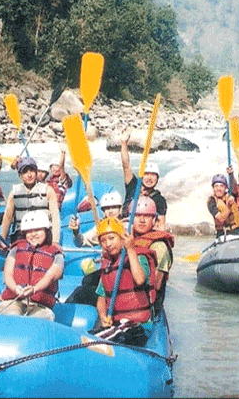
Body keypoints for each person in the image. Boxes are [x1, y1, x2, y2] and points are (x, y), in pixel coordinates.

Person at [94, 216, 157, 347]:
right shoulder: (107, 266)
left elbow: (140, 280)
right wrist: (103, 316)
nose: (108, 244)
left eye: (112, 238)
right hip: (118, 324)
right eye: (103, 240)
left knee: (100, 341)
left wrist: (130, 249)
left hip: (139, 325)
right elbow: (101, 297)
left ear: (122, 239)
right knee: (95, 335)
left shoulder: (138, 257)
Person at [0, 210, 64, 320]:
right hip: (14, 300)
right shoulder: (16, 249)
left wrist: (34, 289)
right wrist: (15, 288)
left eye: (37, 230)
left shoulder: (57, 254)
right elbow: (8, 273)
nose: (33, 234)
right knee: (11, 315)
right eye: (29, 231)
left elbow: (51, 276)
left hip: (40, 305)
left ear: (47, 231)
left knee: (43, 318)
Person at [129, 196, 174, 316]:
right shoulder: (127, 238)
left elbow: (157, 285)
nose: (142, 220)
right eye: (137, 215)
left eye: (147, 216)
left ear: (154, 220)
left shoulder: (159, 247)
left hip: (145, 303)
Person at [0, 157, 61, 244]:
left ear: (36, 172)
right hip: (22, 234)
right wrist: (2, 240)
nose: (29, 175)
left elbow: (55, 217)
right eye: (25, 172)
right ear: (20, 175)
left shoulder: (48, 190)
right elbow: (7, 218)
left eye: (32, 171)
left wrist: (55, 241)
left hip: (43, 234)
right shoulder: (14, 193)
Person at [120, 130, 167, 230]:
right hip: (125, 228)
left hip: (144, 232)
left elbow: (161, 224)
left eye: (153, 175)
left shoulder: (159, 200)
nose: (149, 178)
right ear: (141, 176)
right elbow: (126, 165)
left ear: (157, 179)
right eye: (147, 174)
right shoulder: (132, 186)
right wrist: (124, 143)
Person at [207, 167, 239, 237]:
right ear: (213, 188)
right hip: (224, 234)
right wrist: (228, 207)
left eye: (221, 186)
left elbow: (234, 187)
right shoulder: (211, 201)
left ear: (225, 188)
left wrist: (231, 174)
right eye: (216, 186)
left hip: (238, 231)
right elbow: (221, 219)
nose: (218, 189)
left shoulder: (230, 196)